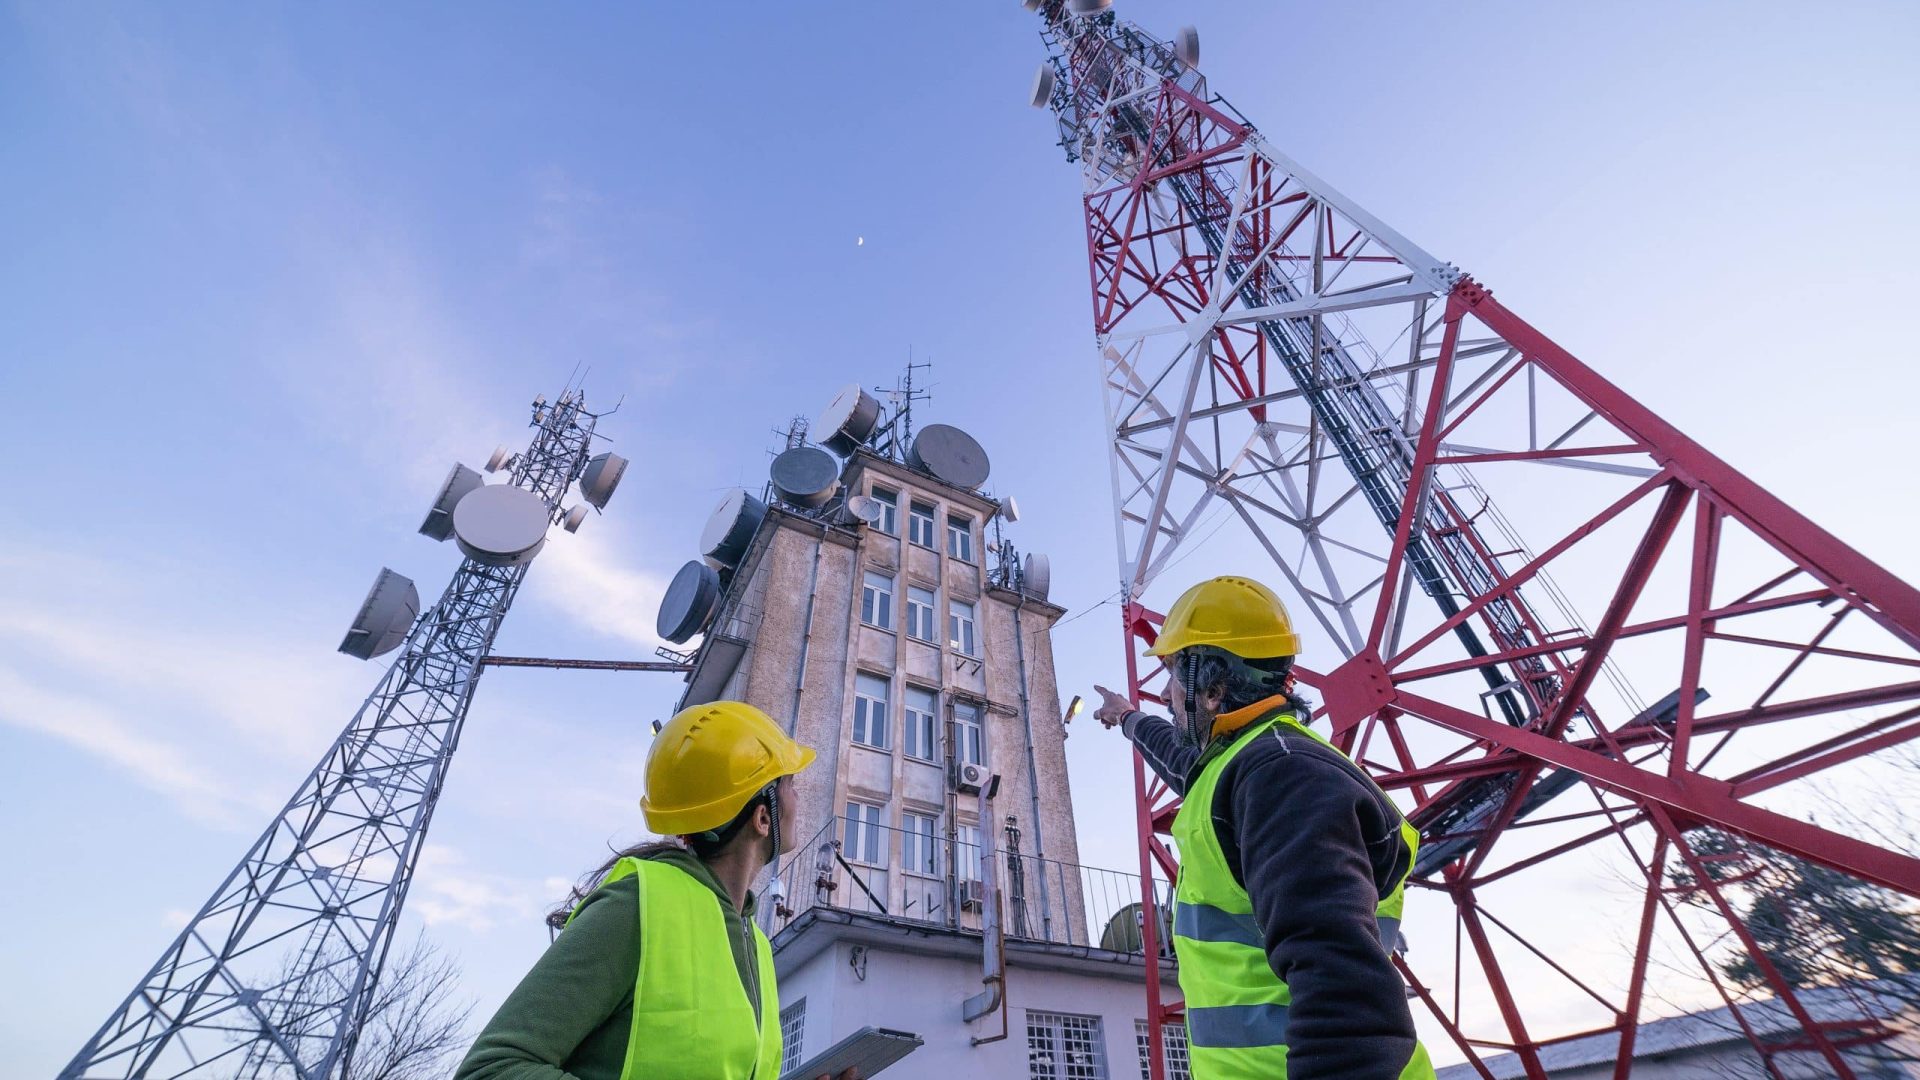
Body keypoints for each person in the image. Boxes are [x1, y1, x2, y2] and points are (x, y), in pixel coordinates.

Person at [1092, 575, 1434, 1080]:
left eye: (1171, 675)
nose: (1164, 694)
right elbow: (1182, 761)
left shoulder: (1282, 776)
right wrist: (1126, 718)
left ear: (1213, 688)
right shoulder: (1246, 765)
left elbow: (1343, 988)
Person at [455, 700, 854, 1080]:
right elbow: (492, 1069)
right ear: (763, 818)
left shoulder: (758, 948)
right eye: (790, 784)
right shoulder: (635, 907)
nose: (799, 798)